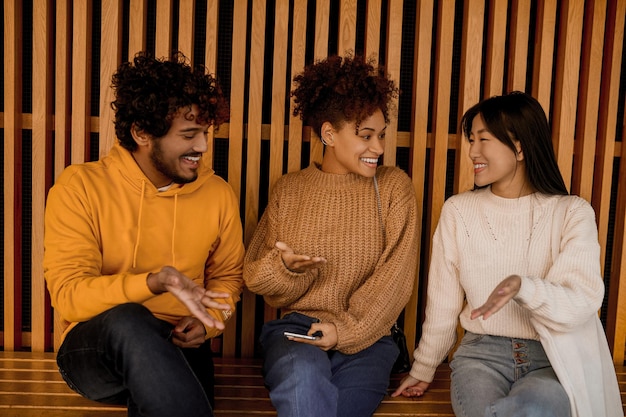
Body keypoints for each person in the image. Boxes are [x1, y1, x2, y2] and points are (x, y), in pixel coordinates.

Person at [392, 91, 623, 417]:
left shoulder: (572, 213)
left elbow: (581, 300)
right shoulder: (458, 211)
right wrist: (423, 368)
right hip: (480, 357)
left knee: (530, 409)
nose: (472, 151)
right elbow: (443, 305)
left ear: (519, 147)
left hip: (553, 357)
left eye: (483, 139)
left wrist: (524, 287)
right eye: (471, 139)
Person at [43, 52, 245, 417]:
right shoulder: (80, 188)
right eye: (188, 135)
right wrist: (154, 282)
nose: (201, 147)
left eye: (204, 133)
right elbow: (70, 296)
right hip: (95, 350)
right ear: (142, 133)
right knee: (129, 319)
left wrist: (206, 326)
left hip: (177, 346)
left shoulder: (217, 194)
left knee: (167, 381)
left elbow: (227, 278)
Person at [243, 55, 419, 417]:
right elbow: (255, 275)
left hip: (368, 339)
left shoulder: (394, 188)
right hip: (297, 332)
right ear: (328, 134)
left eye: (381, 135)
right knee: (304, 383)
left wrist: (345, 330)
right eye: (365, 135)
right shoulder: (289, 190)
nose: (379, 148)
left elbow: (395, 281)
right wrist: (287, 269)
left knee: (343, 408)